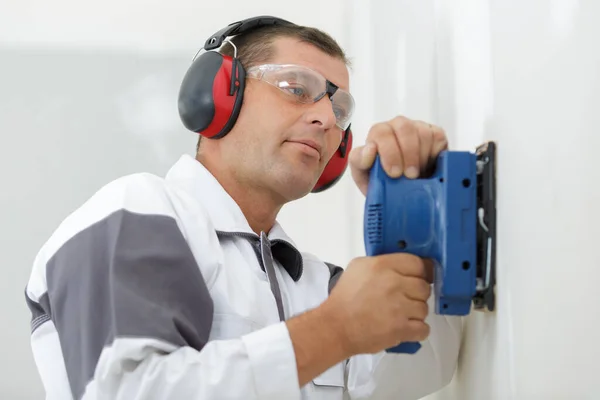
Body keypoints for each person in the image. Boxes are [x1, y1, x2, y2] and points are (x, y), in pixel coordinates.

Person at [24, 15, 462, 400]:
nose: (327, 120)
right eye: (296, 89)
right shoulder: (137, 210)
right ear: (218, 94)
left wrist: (415, 214)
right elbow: (127, 391)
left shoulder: (317, 285)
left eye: (339, 109)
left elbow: (421, 369)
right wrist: (333, 330)